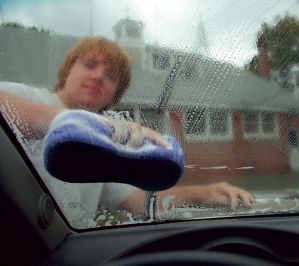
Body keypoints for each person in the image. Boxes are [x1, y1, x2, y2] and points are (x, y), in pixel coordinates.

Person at [0, 37, 254, 227]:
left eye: (111, 76)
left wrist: (203, 193)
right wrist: (75, 122)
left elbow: (143, 204)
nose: (99, 76)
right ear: (67, 71)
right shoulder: (24, 97)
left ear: (115, 94)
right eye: (89, 65)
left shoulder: (106, 144)